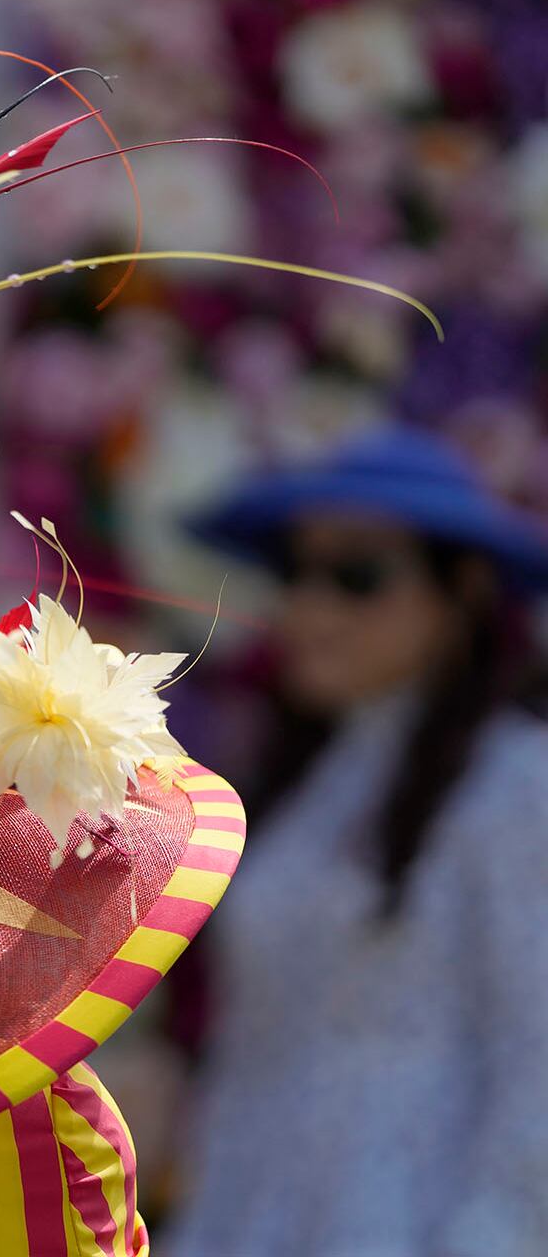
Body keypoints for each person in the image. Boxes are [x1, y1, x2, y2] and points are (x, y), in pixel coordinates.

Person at [165, 426, 548, 1255]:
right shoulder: (301, 790)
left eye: (358, 575)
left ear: (467, 589)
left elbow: (538, 1064)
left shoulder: (518, 782)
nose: (311, 608)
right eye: (295, 572)